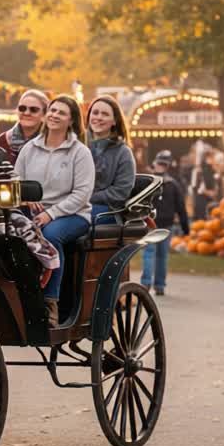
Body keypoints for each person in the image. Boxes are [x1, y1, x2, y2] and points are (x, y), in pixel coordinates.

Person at [14, 96, 94, 327]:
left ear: (71, 121)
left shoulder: (80, 152)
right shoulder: (30, 149)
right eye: (52, 110)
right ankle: (20, 295)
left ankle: (51, 301)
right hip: (33, 212)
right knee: (4, 234)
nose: (54, 115)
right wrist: (26, 200)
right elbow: (16, 182)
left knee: (50, 235)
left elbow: (82, 194)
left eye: (61, 112)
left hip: (73, 215)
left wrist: (52, 213)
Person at [143, 150, 189, 296]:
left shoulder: (148, 182)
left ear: (155, 163)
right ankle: (160, 285)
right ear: (168, 166)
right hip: (167, 224)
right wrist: (185, 227)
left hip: (150, 223)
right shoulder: (173, 184)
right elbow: (181, 207)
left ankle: (145, 283)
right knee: (162, 255)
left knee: (149, 253)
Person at [86, 95, 135, 224]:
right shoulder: (77, 145)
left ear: (114, 121)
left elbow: (120, 192)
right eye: (95, 113)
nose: (98, 117)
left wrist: (85, 198)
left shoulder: (123, 152)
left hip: (107, 210)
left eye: (105, 114)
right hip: (74, 205)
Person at [0, 89, 49, 164]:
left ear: (44, 114)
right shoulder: (3, 140)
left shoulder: (51, 141)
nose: (27, 113)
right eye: (22, 108)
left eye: (34, 109)